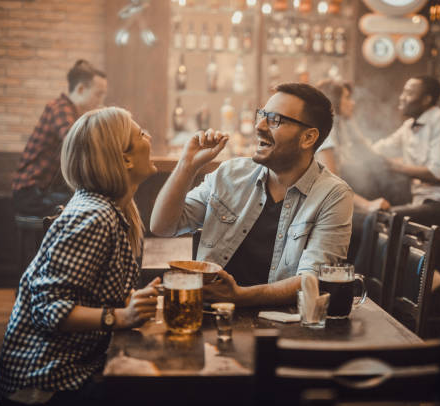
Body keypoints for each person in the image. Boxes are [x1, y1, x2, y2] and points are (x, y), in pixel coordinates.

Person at [0, 107, 160, 406]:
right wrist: (121, 316)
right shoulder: (93, 217)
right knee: (161, 399)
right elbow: (49, 309)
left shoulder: (109, 210)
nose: (149, 137)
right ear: (124, 159)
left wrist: (134, 303)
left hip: (66, 373)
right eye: (141, 134)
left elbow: (92, 293)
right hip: (41, 388)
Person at [150, 83, 354, 307]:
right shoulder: (230, 174)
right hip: (209, 316)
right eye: (262, 115)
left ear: (308, 138)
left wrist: (238, 297)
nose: (259, 126)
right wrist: (187, 166)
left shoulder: (333, 195)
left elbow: (312, 281)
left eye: (275, 120)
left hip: (282, 328)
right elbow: (163, 226)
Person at [360, 75, 440, 290]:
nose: (401, 98)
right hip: (424, 204)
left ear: (426, 100)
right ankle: (409, 281)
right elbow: (376, 150)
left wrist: (396, 166)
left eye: (409, 93)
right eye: (403, 92)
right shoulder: (409, 126)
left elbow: (438, 173)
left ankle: (365, 285)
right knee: (378, 218)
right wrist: (346, 125)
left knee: (384, 218)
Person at [11, 59, 108, 217]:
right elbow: (77, 144)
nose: (101, 101)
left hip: (44, 191)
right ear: (81, 89)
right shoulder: (59, 108)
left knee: (93, 200)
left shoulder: (75, 114)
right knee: (92, 203)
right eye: (98, 94)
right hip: (30, 194)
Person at [315, 79, 390, 213]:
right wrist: (367, 205)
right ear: (333, 101)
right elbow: (329, 183)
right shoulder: (326, 133)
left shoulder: (335, 128)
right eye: (347, 98)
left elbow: (365, 149)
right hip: (320, 209)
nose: (353, 103)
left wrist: (349, 119)